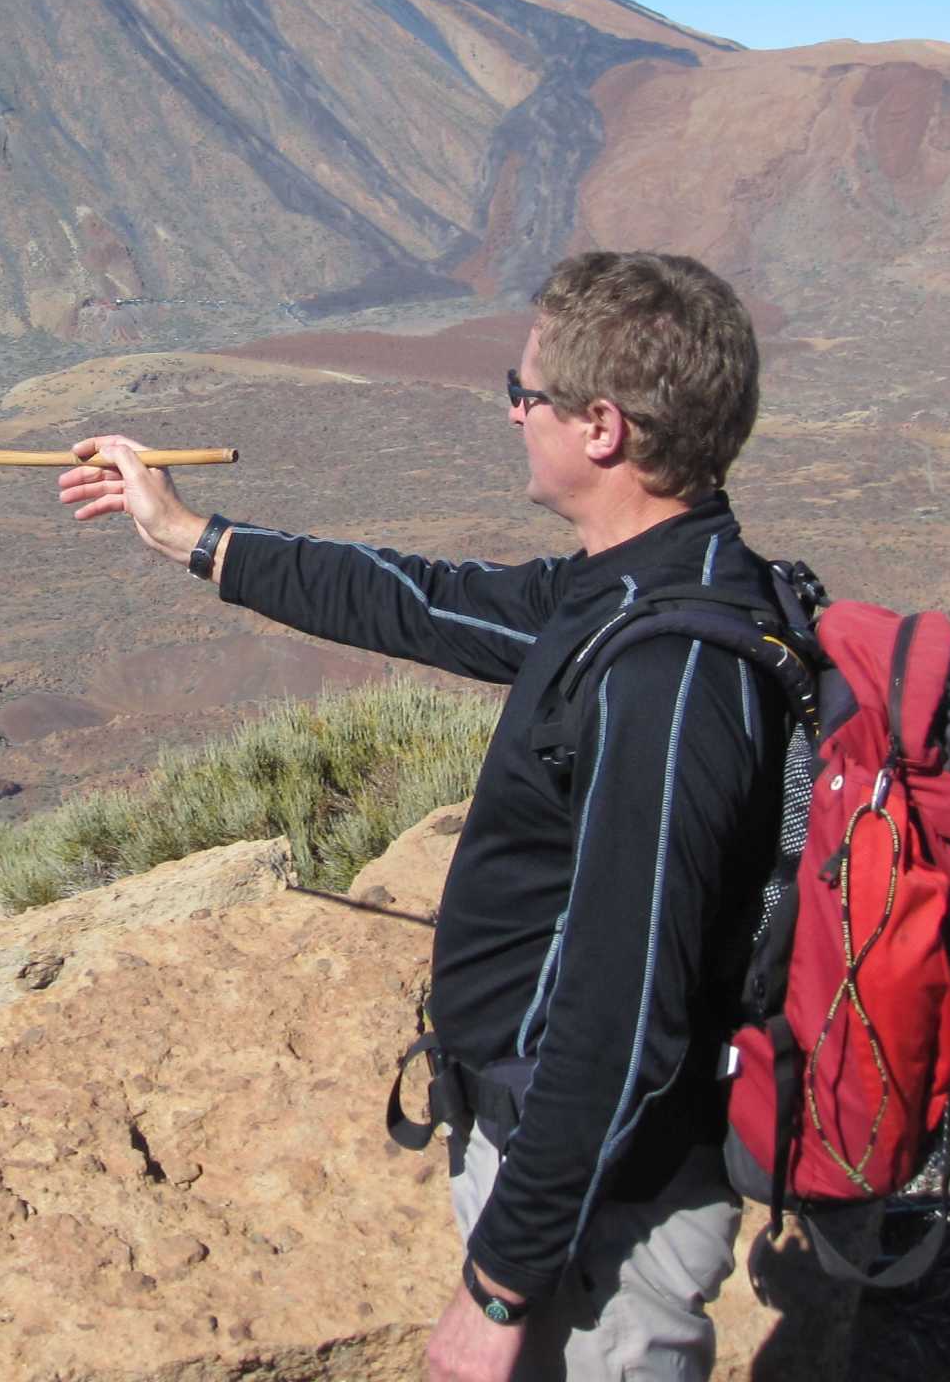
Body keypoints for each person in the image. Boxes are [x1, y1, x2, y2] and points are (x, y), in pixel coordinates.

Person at [57, 251, 783, 1382]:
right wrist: (185, 534)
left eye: (526, 392)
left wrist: (498, 1289)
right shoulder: (621, 591)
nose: (511, 410)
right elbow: (419, 601)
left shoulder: (669, 676)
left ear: (601, 428)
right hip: (553, 1166)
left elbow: (620, 1015)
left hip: (604, 1211)